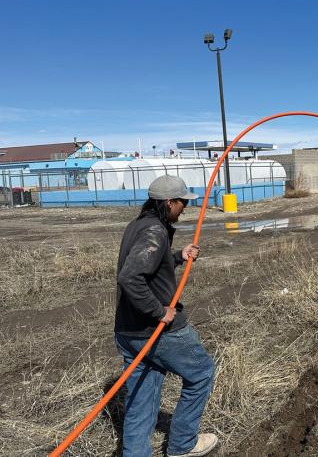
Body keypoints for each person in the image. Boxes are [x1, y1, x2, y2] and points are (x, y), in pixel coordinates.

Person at [114, 175, 218, 457]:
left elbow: (149, 265)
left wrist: (176, 257)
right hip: (156, 331)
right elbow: (131, 277)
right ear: (169, 202)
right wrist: (159, 311)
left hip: (128, 332)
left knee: (141, 398)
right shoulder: (154, 231)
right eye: (182, 202)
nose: (184, 208)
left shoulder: (138, 225)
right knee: (202, 373)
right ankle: (183, 444)